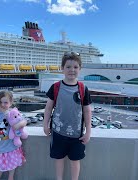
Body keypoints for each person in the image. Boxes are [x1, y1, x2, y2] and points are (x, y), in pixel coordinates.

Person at [43, 52, 92, 180]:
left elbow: (87, 111)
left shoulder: (83, 88)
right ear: (62, 68)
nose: (72, 70)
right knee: (58, 159)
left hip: (77, 135)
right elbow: (48, 108)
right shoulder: (56, 87)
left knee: (75, 161)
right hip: (58, 132)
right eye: (68, 67)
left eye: (75, 67)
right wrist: (45, 125)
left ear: (80, 69)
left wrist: (88, 132)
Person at [0, 90, 27, 180]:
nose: (3, 105)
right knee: (0, 168)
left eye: (5, 102)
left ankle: (10, 178)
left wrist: (18, 125)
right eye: (0, 102)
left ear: (11, 103)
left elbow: (24, 120)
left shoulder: (13, 113)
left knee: (12, 167)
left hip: (12, 146)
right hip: (1, 147)